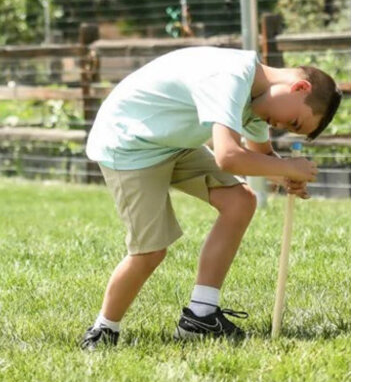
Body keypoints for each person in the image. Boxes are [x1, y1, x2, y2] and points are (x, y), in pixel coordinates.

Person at [80, 45, 342, 350]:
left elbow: (260, 156)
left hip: (172, 141)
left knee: (240, 201)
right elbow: (228, 157)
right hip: (130, 143)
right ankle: (102, 331)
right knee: (150, 251)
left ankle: (199, 317)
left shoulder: (257, 101)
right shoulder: (230, 77)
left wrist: (285, 176)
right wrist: (285, 166)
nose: (281, 127)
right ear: (299, 87)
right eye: (293, 122)